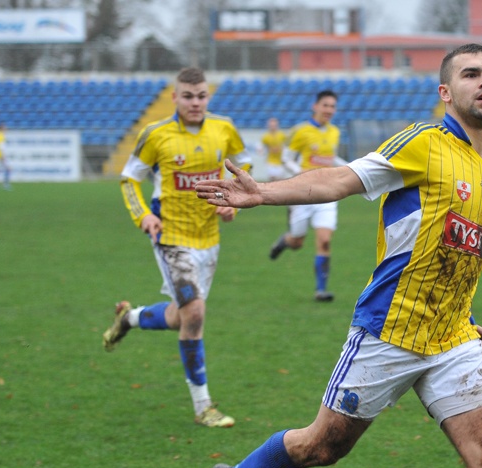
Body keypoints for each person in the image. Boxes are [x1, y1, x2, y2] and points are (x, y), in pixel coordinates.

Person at [192, 44, 482, 468]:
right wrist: (264, 193)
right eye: (471, 74)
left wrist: (465, 314)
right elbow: (341, 181)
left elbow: (455, 251)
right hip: (390, 330)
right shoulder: (424, 144)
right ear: (446, 92)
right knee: (323, 446)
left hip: (451, 336)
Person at [102, 67, 252, 428]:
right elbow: (128, 179)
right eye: (188, 96)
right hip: (170, 237)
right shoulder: (156, 135)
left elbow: (242, 164)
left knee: (181, 316)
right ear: (175, 97)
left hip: (209, 239)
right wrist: (143, 217)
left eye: (201, 95)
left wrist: (232, 200)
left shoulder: (224, 128)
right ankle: (204, 407)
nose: (195, 102)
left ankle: (130, 318)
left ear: (207, 97)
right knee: (196, 313)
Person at [267, 90, 344, 302]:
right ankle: (285, 241)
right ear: (316, 106)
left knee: (325, 240)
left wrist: (351, 168)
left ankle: (321, 290)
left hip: (328, 193)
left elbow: (331, 158)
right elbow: (286, 159)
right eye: (325, 105)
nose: (329, 110)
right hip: (304, 193)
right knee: (297, 241)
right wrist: (301, 173)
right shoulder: (300, 131)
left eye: (332, 106)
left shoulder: (335, 132)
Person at [259, 117, 288, 182]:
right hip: (270, 161)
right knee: (272, 180)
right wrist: (261, 151)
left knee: (281, 181)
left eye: (274, 125)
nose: (273, 127)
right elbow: (261, 147)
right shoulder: (266, 136)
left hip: (280, 162)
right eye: (271, 125)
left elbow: (287, 146)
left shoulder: (282, 135)